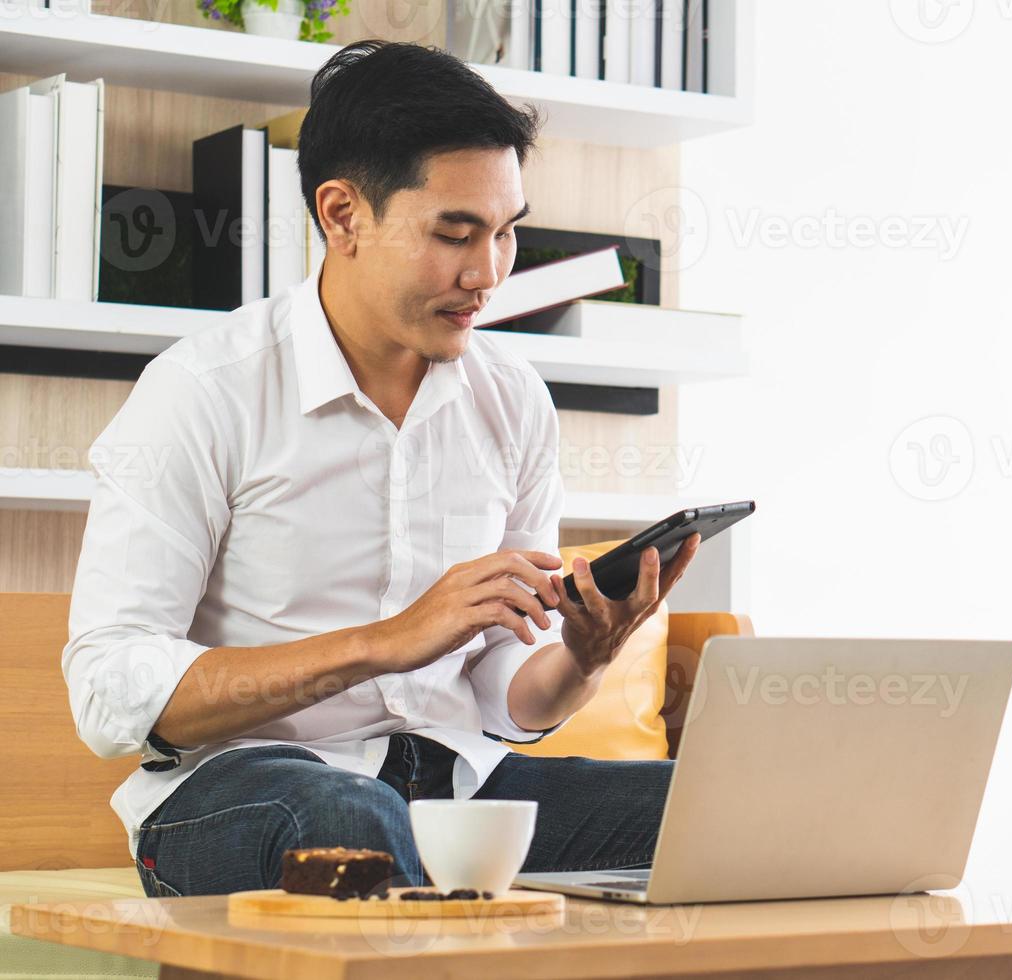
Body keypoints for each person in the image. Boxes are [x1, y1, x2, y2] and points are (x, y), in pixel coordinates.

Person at [61, 39, 698, 898]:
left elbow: (507, 693)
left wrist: (586, 655)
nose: (488, 274)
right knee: (351, 817)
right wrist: (386, 643)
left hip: (454, 789)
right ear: (342, 214)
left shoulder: (512, 402)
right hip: (245, 794)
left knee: (723, 808)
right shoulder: (201, 391)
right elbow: (108, 692)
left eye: (507, 233)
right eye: (454, 233)